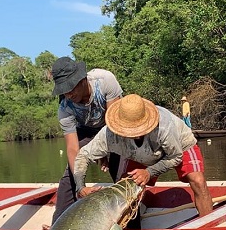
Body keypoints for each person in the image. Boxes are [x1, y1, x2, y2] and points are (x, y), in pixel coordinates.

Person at [73, 94, 213, 220]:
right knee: (126, 190)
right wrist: (80, 187)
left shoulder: (164, 127)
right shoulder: (109, 135)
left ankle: (208, 225)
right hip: (141, 155)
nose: (135, 133)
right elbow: (83, 155)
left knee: (198, 181)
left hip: (180, 146)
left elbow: (176, 157)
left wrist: (149, 172)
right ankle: (132, 224)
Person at [51, 56, 123, 224]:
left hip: (114, 127)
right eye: (64, 90)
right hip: (86, 131)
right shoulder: (65, 108)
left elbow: (114, 124)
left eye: (71, 88)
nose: (69, 94)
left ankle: (132, 224)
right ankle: (59, 224)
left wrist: (102, 151)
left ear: (82, 79)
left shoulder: (105, 80)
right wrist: (80, 186)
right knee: (71, 174)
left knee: (120, 166)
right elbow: (72, 149)